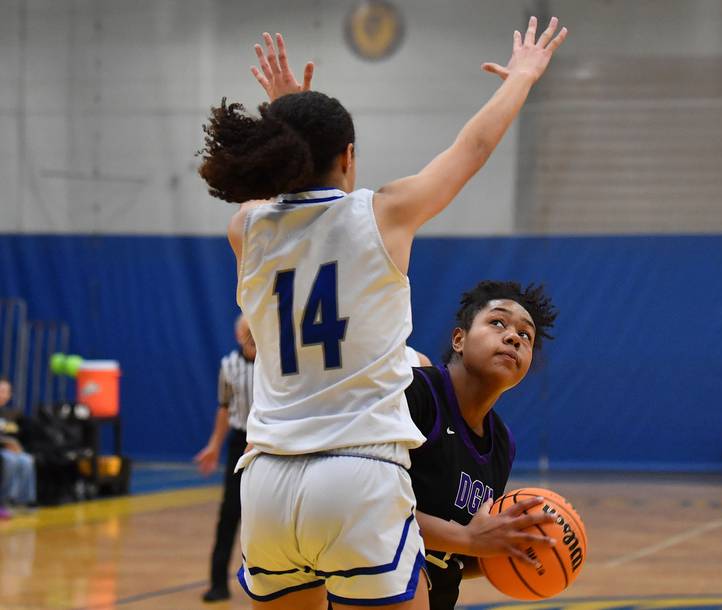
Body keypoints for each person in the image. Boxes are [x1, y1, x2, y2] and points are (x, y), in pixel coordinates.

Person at [198, 18, 567, 609]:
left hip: (266, 479)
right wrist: (521, 78)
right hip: (357, 474)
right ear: (349, 156)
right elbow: (471, 150)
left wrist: (286, 113)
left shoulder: (246, 229)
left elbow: (274, 194)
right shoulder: (383, 215)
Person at [406, 281, 558, 609]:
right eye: (497, 323)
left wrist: (516, 547)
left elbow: (461, 551)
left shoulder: (502, 443)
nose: (513, 337)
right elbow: (368, 512)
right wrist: (470, 539)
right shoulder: (417, 394)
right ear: (459, 339)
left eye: (525, 336)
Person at [194, 316, 256, 602]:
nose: (251, 337)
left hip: (270, 442)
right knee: (229, 513)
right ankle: (218, 582)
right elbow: (224, 408)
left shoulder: (277, 364)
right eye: (246, 332)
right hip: (239, 439)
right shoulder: (228, 366)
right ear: (237, 335)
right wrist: (214, 446)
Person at [0, 378, 37, 517]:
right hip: (3, 451)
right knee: (10, 460)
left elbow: (22, 436)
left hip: (12, 451)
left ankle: (25, 500)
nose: (3, 394)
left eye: (6, 392)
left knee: (26, 459)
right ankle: (3, 500)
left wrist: (19, 446)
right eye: (0, 391)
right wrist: (6, 443)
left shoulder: (13, 414)